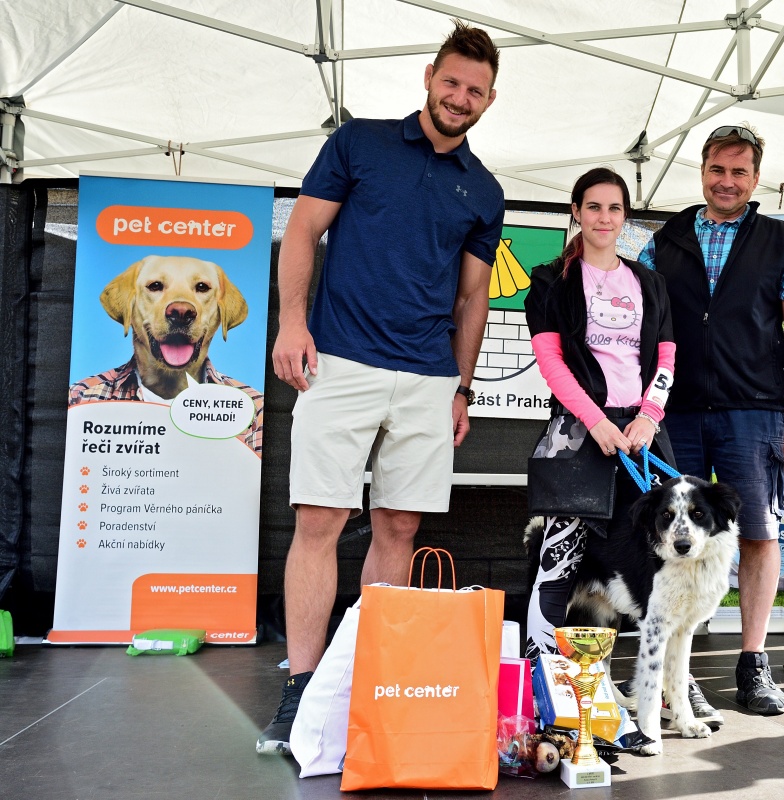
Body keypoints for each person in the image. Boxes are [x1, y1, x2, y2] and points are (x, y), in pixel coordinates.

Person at [256, 21, 504, 755]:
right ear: (429, 77)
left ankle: (367, 680)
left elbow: (474, 297)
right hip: (340, 361)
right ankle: (303, 689)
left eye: (475, 90)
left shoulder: (485, 190)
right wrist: (292, 323)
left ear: (489, 100)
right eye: (451, 82)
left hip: (428, 378)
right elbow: (302, 232)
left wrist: (460, 388)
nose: (460, 97)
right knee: (321, 521)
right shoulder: (358, 143)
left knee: (398, 528)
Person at [636, 124, 784, 717]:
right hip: (676, 410)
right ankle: (678, 674)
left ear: (756, 178)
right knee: (673, 539)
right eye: (717, 170)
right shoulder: (662, 242)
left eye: (740, 172)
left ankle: (753, 663)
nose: (727, 181)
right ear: (702, 172)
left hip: (754, 410)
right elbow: (640, 330)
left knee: (759, 535)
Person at [523, 167, 675, 664]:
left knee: (663, 568)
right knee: (558, 563)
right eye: (593, 207)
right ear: (576, 212)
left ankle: (669, 686)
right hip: (578, 432)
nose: (604, 218)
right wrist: (596, 421)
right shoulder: (550, 280)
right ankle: (541, 677)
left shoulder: (649, 282)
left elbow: (667, 360)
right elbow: (552, 364)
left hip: (643, 435)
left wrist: (649, 416)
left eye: (614, 208)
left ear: (625, 215)